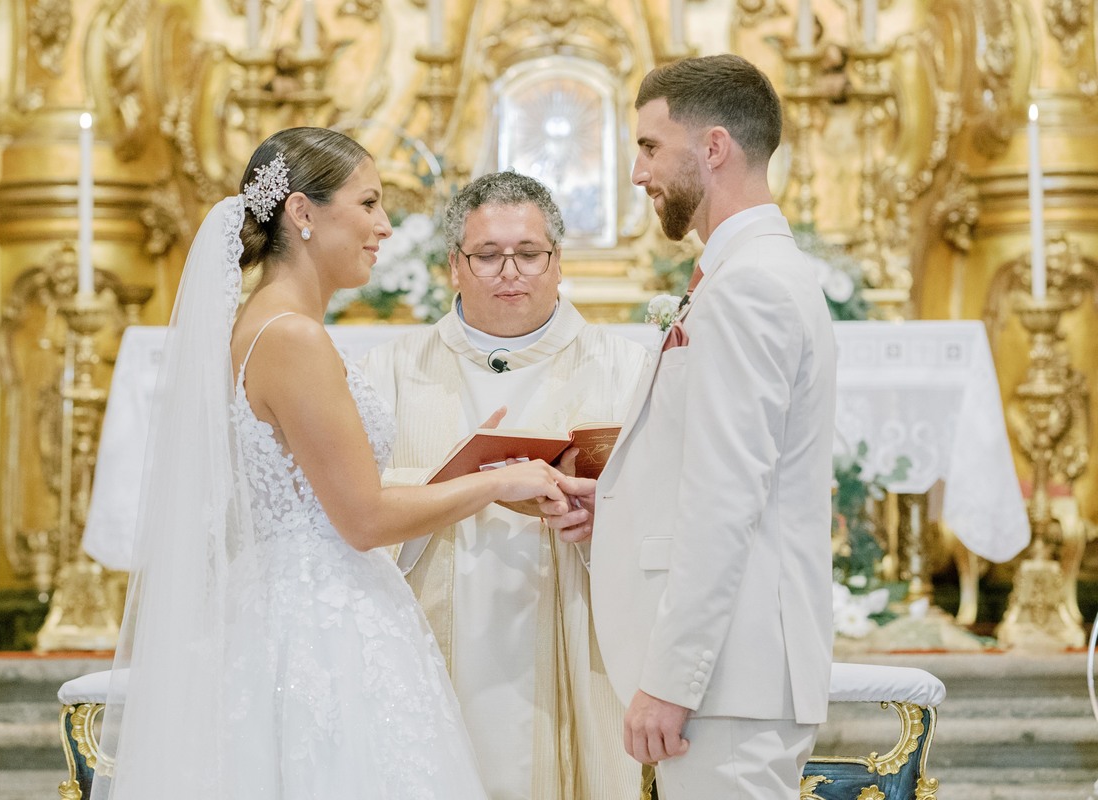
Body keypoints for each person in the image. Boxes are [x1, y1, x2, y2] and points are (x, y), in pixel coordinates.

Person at [95, 128, 568, 800]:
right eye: (369, 203)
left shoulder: (264, 324)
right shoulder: (292, 338)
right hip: (323, 629)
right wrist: (499, 481)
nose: (384, 225)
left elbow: (327, 493)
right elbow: (364, 518)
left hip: (290, 603)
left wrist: (463, 472)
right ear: (302, 213)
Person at [541, 54, 837, 799]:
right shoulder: (744, 275)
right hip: (730, 677)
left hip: (726, 683)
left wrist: (671, 682)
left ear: (712, 148)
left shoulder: (752, 289)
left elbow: (727, 497)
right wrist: (611, 504)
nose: (637, 175)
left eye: (648, 147)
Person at [359, 171, 647, 799]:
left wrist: (610, 518)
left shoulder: (627, 368)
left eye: (528, 254)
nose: (509, 270)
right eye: (488, 256)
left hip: (575, 624)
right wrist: (469, 479)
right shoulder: (392, 372)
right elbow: (353, 503)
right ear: (454, 267)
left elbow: (675, 502)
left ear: (558, 261)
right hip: (432, 639)